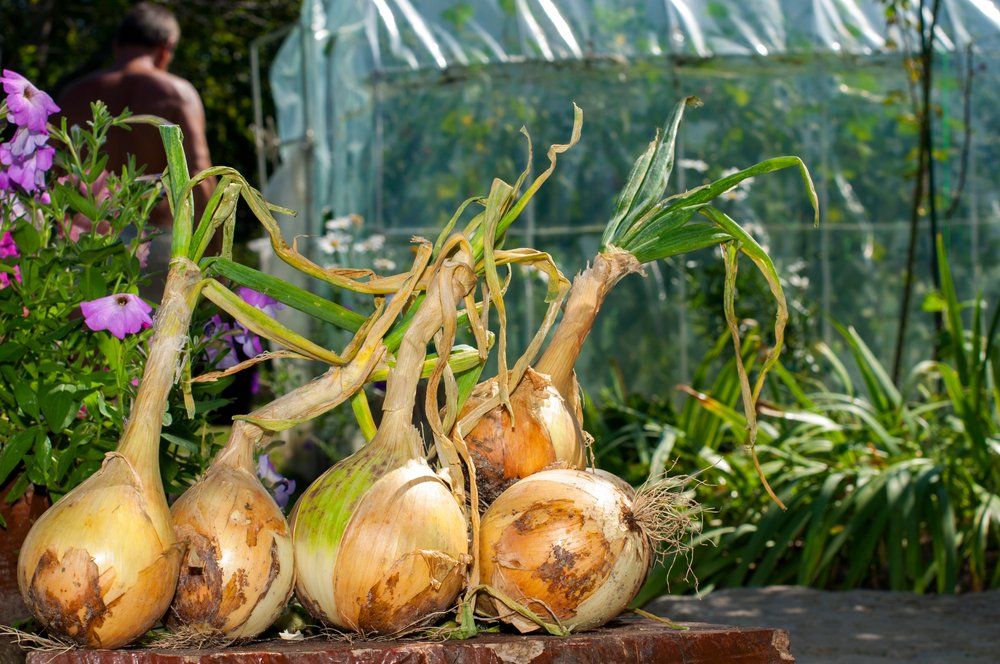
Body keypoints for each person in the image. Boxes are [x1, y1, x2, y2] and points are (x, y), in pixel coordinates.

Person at [58, 2, 215, 294]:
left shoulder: (73, 95)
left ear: (117, 45)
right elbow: (200, 174)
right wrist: (215, 256)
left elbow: (54, 177)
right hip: (156, 247)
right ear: (166, 48)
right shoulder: (176, 93)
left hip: (87, 245)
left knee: (87, 337)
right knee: (159, 340)